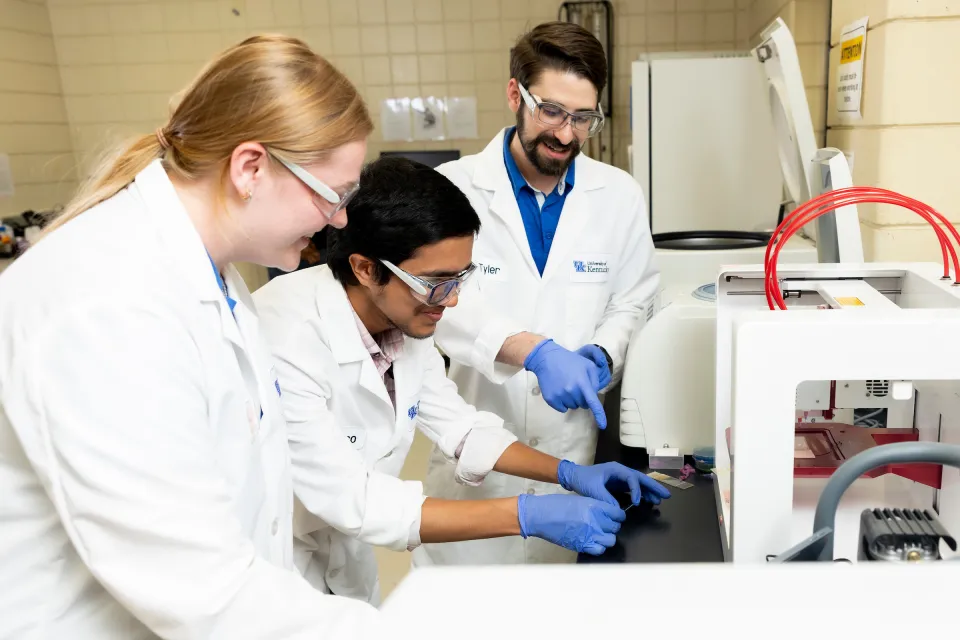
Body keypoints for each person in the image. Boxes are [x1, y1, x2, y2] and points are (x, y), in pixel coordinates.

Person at [0, 35, 383, 638]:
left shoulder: (213, 278)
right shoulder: (108, 300)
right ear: (251, 167)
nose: (338, 220)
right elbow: (197, 585)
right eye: (332, 195)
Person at [252, 156, 668, 604]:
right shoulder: (286, 334)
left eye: (460, 280)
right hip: (269, 566)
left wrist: (568, 474)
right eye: (435, 283)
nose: (450, 302)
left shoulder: (401, 322)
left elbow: (460, 427)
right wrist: (526, 514)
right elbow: (355, 499)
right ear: (366, 268)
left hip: (341, 561)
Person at [413, 21, 662, 568]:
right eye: (551, 111)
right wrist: (534, 351)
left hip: (573, 454)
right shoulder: (452, 189)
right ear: (514, 94)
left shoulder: (618, 194)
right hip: (474, 459)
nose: (567, 135)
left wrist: (603, 354)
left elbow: (634, 298)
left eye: (583, 118)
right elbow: (435, 303)